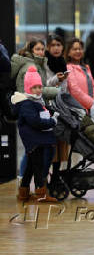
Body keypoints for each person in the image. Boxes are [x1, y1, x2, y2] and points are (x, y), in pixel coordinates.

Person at [13, 66, 58, 202]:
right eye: (34, 87)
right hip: (33, 139)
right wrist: (52, 121)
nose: (38, 90)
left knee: (31, 166)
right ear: (28, 89)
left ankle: (24, 192)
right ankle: (41, 193)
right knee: (38, 165)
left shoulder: (37, 101)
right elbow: (35, 122)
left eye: (39, 87)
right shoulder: (27, 104)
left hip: (36, 138)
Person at [45, 34, 69, 180]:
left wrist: (62, 82)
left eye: (58, 45)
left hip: (61, 108)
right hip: (48, 109)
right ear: (48, 47)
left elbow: (64, 89)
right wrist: (57, 79)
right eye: (53, 45)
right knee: (51, 144)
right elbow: (43, 85)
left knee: (61, 143)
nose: (56, 48)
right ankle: (44, 179)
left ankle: (56, 176)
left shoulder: (62, 62)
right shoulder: (45, 63)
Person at [65, 38, 94, 110]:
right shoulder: (68, 68)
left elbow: (92, 89)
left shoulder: (86, 68)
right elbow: (75, 91)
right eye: (74, 49)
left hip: (90, 108)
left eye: (80, 49)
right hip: (78, 110)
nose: (78, 51)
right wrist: (93, 104)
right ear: (68, 52)